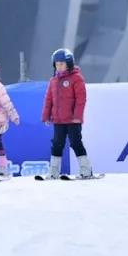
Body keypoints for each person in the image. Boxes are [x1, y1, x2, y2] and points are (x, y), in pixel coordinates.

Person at [41, 49, 94, 178]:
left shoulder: (76, 78)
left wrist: (77, 116)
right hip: (59, 120)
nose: (59, 67)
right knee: (57, 144)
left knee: (76, 142)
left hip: (72, 120)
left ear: (69, 63)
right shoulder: (53, 81)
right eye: (56, 64)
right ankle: (53, 172)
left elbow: (81, 99)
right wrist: (46, 116)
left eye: (62, 64)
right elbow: (48, 100)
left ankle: (86, 170)